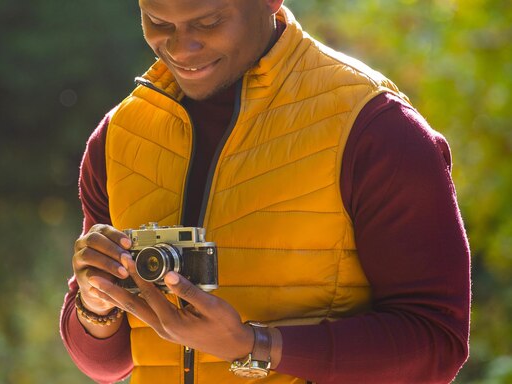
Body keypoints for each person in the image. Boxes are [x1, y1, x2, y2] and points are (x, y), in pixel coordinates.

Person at [59, 0, 471, 383]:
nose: (181, 48)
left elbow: (437, 342)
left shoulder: (376, 128)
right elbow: (106, 363)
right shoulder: (120, 136)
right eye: (159, 24)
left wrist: (254, 346)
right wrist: (96, 303)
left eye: (208, 22)